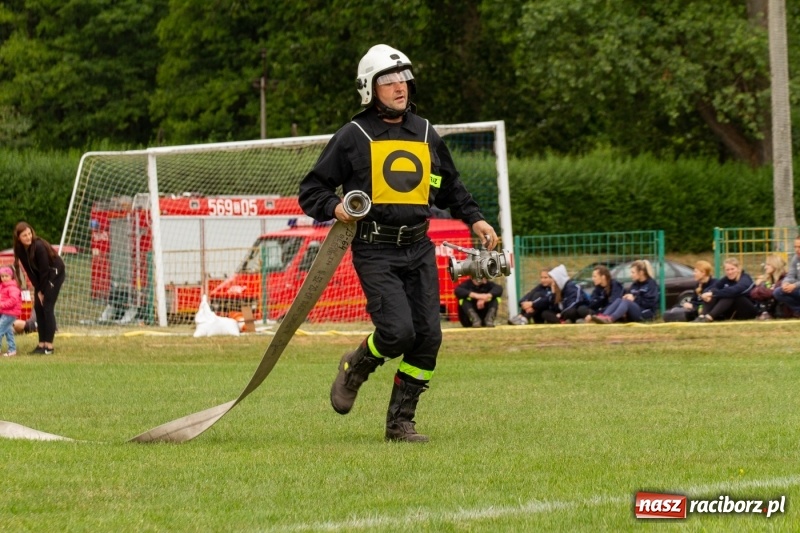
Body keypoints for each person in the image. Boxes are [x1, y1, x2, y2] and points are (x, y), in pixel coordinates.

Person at [298, 44, 498, 443]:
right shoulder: (352, 136)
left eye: (403, 79)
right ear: (369, 89)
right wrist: (335, 206)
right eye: (388, 81)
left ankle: (400, 423)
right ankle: (355, 368)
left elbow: (448, 185)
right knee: (396, 332)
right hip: (374, 249)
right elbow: (312, 190)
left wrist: (474, 217)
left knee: (428, 337)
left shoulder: (425, 132)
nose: (399, 87)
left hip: (419, 247)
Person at [13, 222, 65, 355]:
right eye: (24, 235)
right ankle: (41, 344)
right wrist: (38, 289)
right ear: (19, 238)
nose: (28, 237)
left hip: (54, 274)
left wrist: (42, 291)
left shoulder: (39, 246)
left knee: (47, 306)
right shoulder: (20, 250)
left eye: (29, 233)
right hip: (41, 278)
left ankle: (49, 346)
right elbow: (30, 272)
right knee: (38, 308)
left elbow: (44, 271)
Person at [591, 260, 659, 324]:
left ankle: (611, 319)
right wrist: (627, 297)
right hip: (635, 311)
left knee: (626, 302)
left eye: (633, 272)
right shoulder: (635, 285)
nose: (631, 275)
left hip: (645, 313)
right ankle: (603, 316)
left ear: (641, 272)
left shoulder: (651, 284)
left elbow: (650, 303)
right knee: (619, 300)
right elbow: (628, 298)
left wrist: (634, 299)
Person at [693, 257, 757, 322]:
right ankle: (702, 316)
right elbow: (713, 287)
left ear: (739, 269)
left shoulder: (745, 279)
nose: (730, 272)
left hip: (749, 310)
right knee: (715, 293)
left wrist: (713, 293)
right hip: (733, 311)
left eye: (732, 269)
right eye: (727, 270)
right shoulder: (726, 279)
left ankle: (709, 317)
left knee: (729, 294)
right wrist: (708, 293)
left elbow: (735, 290)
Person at [750, 254, 786, 319]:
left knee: (769, 295)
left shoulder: (784, 278)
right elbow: (753, 294)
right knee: (762, 296)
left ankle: (769, 314)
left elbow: (773, 293)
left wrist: (759, 289)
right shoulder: (768, 278)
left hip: (781, 308)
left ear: (775, 265)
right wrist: (758, 286)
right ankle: (764, 313)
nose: (765, 267)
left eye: (768, 265)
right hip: (769, 307)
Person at [773, 238, 800, 318]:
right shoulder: (795, 258)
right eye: (795, 247)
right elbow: (790, 275)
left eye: (799, 247)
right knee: (778, 292)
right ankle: (798, 310)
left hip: (797, 286)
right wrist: (785, 283)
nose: (797, 250)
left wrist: (794, 285)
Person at [0, 266, 22, 356]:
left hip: (10, 313)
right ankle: (12, 349)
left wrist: (1, 305)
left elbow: (13, 301)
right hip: (5, 312)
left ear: (11, 276)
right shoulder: (3, 287)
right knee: (8, 331)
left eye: (6, 276)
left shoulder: (12, 288)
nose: (4, 278)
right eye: (2, 276)